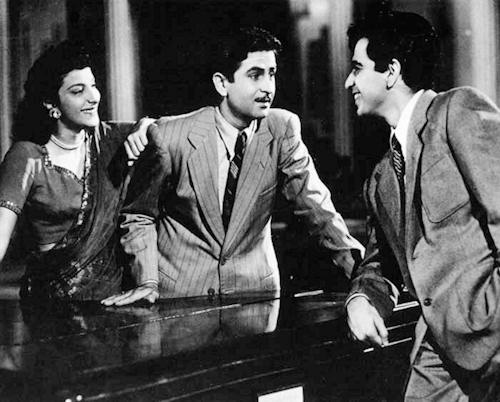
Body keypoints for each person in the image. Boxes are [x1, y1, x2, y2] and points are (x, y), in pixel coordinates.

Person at [102, 26, 364, 306]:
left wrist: (361, 272)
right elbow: (138, 215)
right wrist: (146, 281)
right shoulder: (171, 137)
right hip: (181, 298)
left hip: (255, 298)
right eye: (255, 75)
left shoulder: (282, 129)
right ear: (222, 84)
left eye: (272, 73)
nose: (268, 87)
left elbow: (316, 205)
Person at [344, 10, 500, 401]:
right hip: (439, 350)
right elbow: (380, 263)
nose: (349, 81)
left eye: (357, 68)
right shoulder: (380, 178)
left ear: (391, 71)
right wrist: (361, 299)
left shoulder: (456, 111)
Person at [0, 40, 151, 301]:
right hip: (51, 305)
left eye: (93, 85)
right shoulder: (28, 157)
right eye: (78, 91)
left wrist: (147, 125)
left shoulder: (111, 140)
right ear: (51, 104)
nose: (93, 97)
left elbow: (170, 128)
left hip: (113, 302)